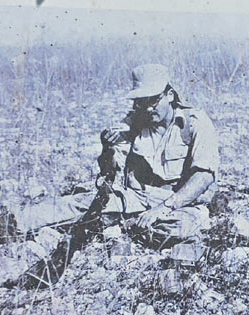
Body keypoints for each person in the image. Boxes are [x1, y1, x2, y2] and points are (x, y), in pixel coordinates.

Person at [16, 63, 219, 288]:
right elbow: (109, 171)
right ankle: (2, 226)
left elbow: (203, 175)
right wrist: (107, 149)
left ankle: (126, 226)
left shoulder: (195, 123)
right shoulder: (133, 122)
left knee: (183, 227)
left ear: (169, 95)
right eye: (140, 102)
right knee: (78, 205)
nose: (147, 108)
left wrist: (164, 208)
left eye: (152, 100)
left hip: (180, 201)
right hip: (138, 196)